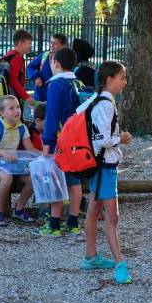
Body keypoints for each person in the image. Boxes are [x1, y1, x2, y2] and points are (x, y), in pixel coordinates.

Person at [81, 61, 133, 285]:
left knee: (94, 209)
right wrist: (120, 139)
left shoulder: (95, 100)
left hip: (98, 165)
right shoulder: (106, 105)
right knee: (112, 217)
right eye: (122, 78)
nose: (125, 82)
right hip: (105, 166)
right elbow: (101, 140)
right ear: (109, 79)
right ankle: (120, 263)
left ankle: (90, 256)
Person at [40, 47, 84, 239]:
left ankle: (54, 224)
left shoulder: (56, 85)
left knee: (56, 180)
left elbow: (52, 116)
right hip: (77, 140)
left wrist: (47, 142)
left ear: (55, 63)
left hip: (60, 140)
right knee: (74, 181)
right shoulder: (77, 83)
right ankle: (73, 222)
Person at [0, 95, 36, 226]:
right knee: (7, 177)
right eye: (11, 108)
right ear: (2, 113)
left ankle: (19, 208)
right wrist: (3, 153)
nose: (17, 110)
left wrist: (46, 155)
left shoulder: (22, 127)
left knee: (33, 178)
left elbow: (30, 150)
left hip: (13, 166)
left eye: (18, 107)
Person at [27, 34, 67, 102]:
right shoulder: (44, 55)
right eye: (51, 42)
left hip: (56, 97)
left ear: (63, 46)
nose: (51, 45)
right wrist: (35, 77)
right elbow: (30, 66)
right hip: (40, 96)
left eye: (55, 43)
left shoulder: (67, 59)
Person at [3, 29, 35, 107]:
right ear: (20, 43)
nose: (30, 46)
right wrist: (26, 97)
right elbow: (13, 80)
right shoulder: (17, 57)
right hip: (13, 98)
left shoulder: (10, 54)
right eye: (29, 43)